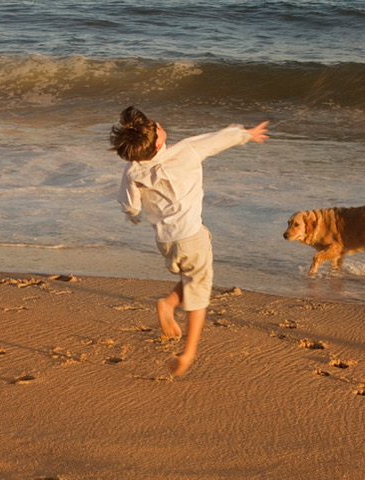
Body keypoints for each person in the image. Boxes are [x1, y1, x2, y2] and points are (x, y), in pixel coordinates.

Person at [111, 106, 269, 376]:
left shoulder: (133, 170)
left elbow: (129, 204)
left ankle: (168, 304)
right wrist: (245, 134)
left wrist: (133, 215)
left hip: (165, 242)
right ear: (159, 140)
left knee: (191, 275)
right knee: (199, 291)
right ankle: (188, 353)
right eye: (156, 126)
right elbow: (217, 140)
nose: (159, 124)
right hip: (191, 237)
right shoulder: (185, 151)